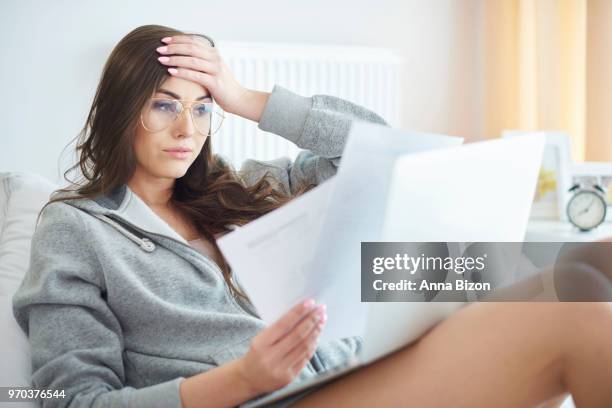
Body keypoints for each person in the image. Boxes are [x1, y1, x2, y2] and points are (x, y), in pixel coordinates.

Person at [11, 24, 612, 408]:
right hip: (265, 400)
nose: (185, 130)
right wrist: (243, 378)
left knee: (587, 270)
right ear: (120, 112)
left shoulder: (238, 189)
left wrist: (246, 99)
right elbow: (70, 402)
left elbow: (380, 146)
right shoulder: (77, 229)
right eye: (163, 106)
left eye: (202, 109)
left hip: (348, 363)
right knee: (582, 319)